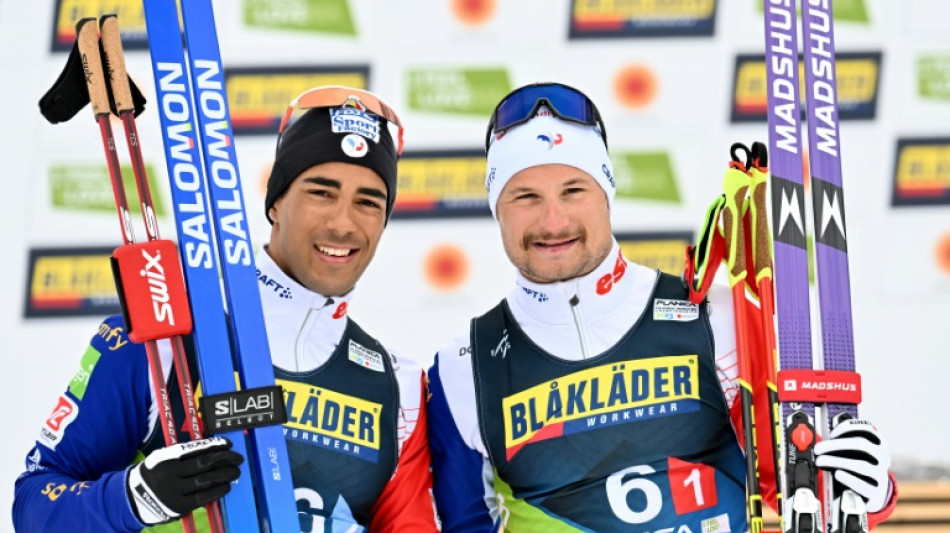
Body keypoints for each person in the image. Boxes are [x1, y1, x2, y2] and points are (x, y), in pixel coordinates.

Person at [426, 82, 897, 532]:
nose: (553, 220)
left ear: (606, 193)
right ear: (497, 208)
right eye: (525, 196)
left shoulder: (714, 320)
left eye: (573, 190)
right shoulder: (463, 370)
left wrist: (865, 492)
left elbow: (794, 485)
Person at [13, 87, 439, 532]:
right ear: (276, 202)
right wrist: (135, 497)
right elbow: (34, 503)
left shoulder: (398, 387)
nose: (343, 223)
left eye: (368, 202)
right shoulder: (162, 342)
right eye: (321, 193)